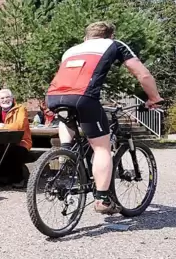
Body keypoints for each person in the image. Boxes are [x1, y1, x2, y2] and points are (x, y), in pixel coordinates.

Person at [46, 21, 163, 214]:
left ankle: (67, 154)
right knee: (101, 147)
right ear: (110, 35)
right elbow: (143, 74)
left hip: (54, 97)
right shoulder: (114, 44)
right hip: (84, 98)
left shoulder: (71, 50)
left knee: (68, 115)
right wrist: (154, 98)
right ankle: (101, 199)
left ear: (86, 37)